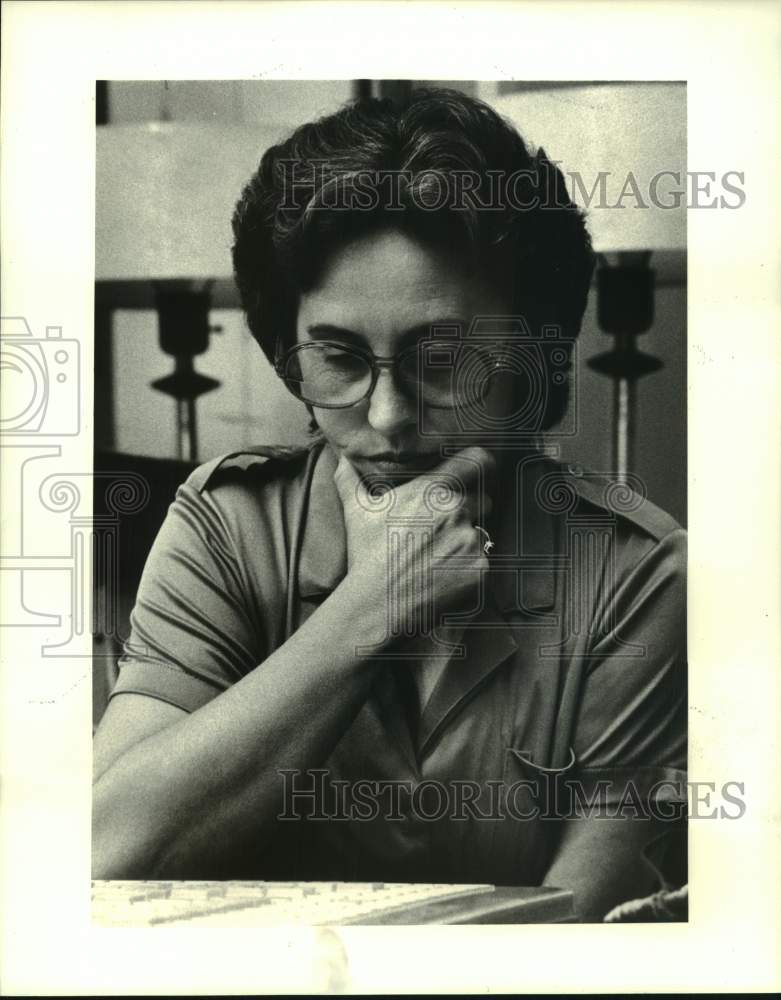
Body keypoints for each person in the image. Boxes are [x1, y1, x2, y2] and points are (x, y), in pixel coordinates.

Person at [92, 88, 686, 921]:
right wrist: (374, 606)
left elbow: (577, 927)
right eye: (336, 357)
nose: (387, 417)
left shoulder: (636, 569)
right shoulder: (229, 524)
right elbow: (104, 848)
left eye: (442, 359)